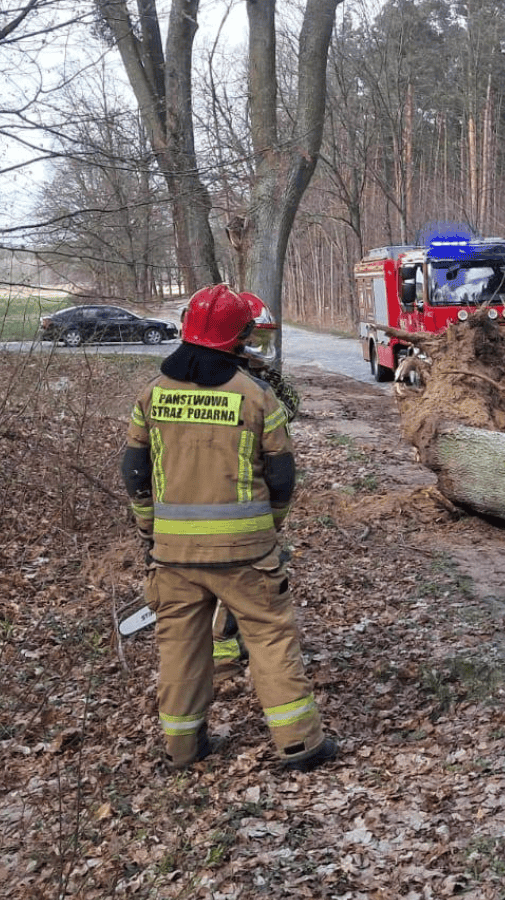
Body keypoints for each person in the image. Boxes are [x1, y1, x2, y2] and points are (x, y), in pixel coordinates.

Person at [121, 283, 338, 772]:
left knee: (179, 647)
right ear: (237, 338)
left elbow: (134, 473)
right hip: (246, 555)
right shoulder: (257, 397)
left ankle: (182, 747)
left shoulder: (152, 395)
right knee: (270, 638)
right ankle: (300, 745)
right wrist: (271, 529)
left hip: (173, 555)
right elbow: (281, 478)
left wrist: (149, 532)